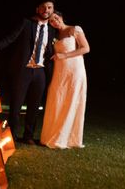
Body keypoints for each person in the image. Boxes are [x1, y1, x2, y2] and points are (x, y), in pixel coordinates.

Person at [0, 0, 58, 145]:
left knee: (34, 105)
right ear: (38, 9)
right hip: (23, 70)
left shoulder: (52, 30)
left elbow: (51, 50)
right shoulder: (26, 23)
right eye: (44, 7)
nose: (47, 10)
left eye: (50, 7)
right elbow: (11, 38)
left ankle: (28, 136)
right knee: (16, 104)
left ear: (52, 10)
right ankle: (12, 135)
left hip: (40, 72)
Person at [39, 11, 90, 148]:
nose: (54, 21)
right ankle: (51, 134)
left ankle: (67, 138)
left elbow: (86, 48)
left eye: (55, 18)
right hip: (60, 71)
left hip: (75, 70)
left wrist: (65, 55)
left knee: (71, 101)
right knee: (57, 100)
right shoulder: (55, 35)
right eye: (51, 21)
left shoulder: (74, 29)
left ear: (61, 16)